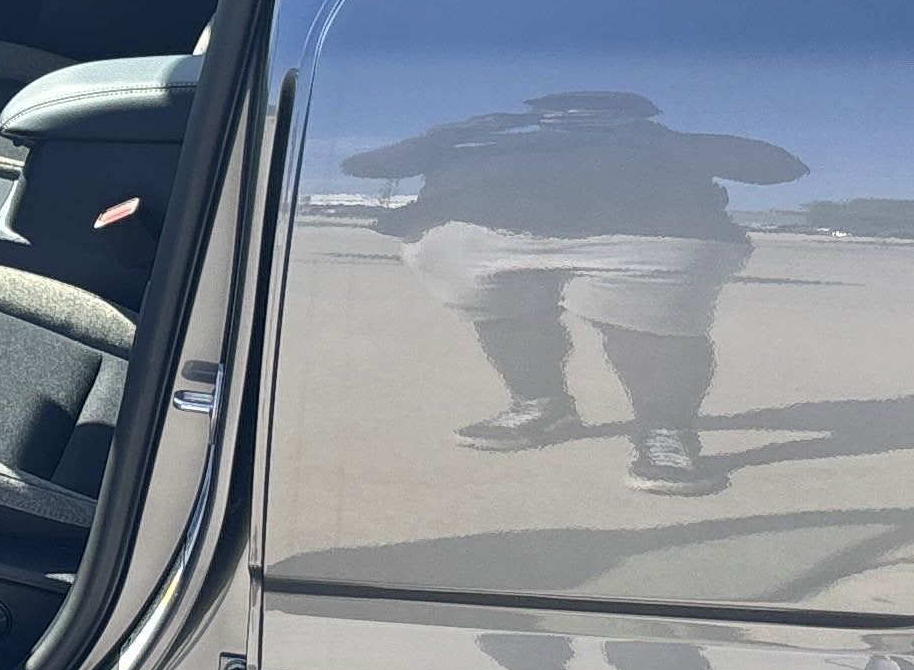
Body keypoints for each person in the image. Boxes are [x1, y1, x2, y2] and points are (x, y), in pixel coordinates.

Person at [339, 89, 807, 496]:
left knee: (648, 327)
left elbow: (780, 167)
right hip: (479, 231)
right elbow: (363, 166)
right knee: (501, 309)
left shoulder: (661, 144)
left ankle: (667, 428)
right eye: (562, 112)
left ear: (636, 116)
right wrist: (446, 137)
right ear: (538, 114)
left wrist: (660, 141)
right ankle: (541, 404)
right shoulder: (481, 141)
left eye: (596, 113)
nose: (575, 119)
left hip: (647, 235)